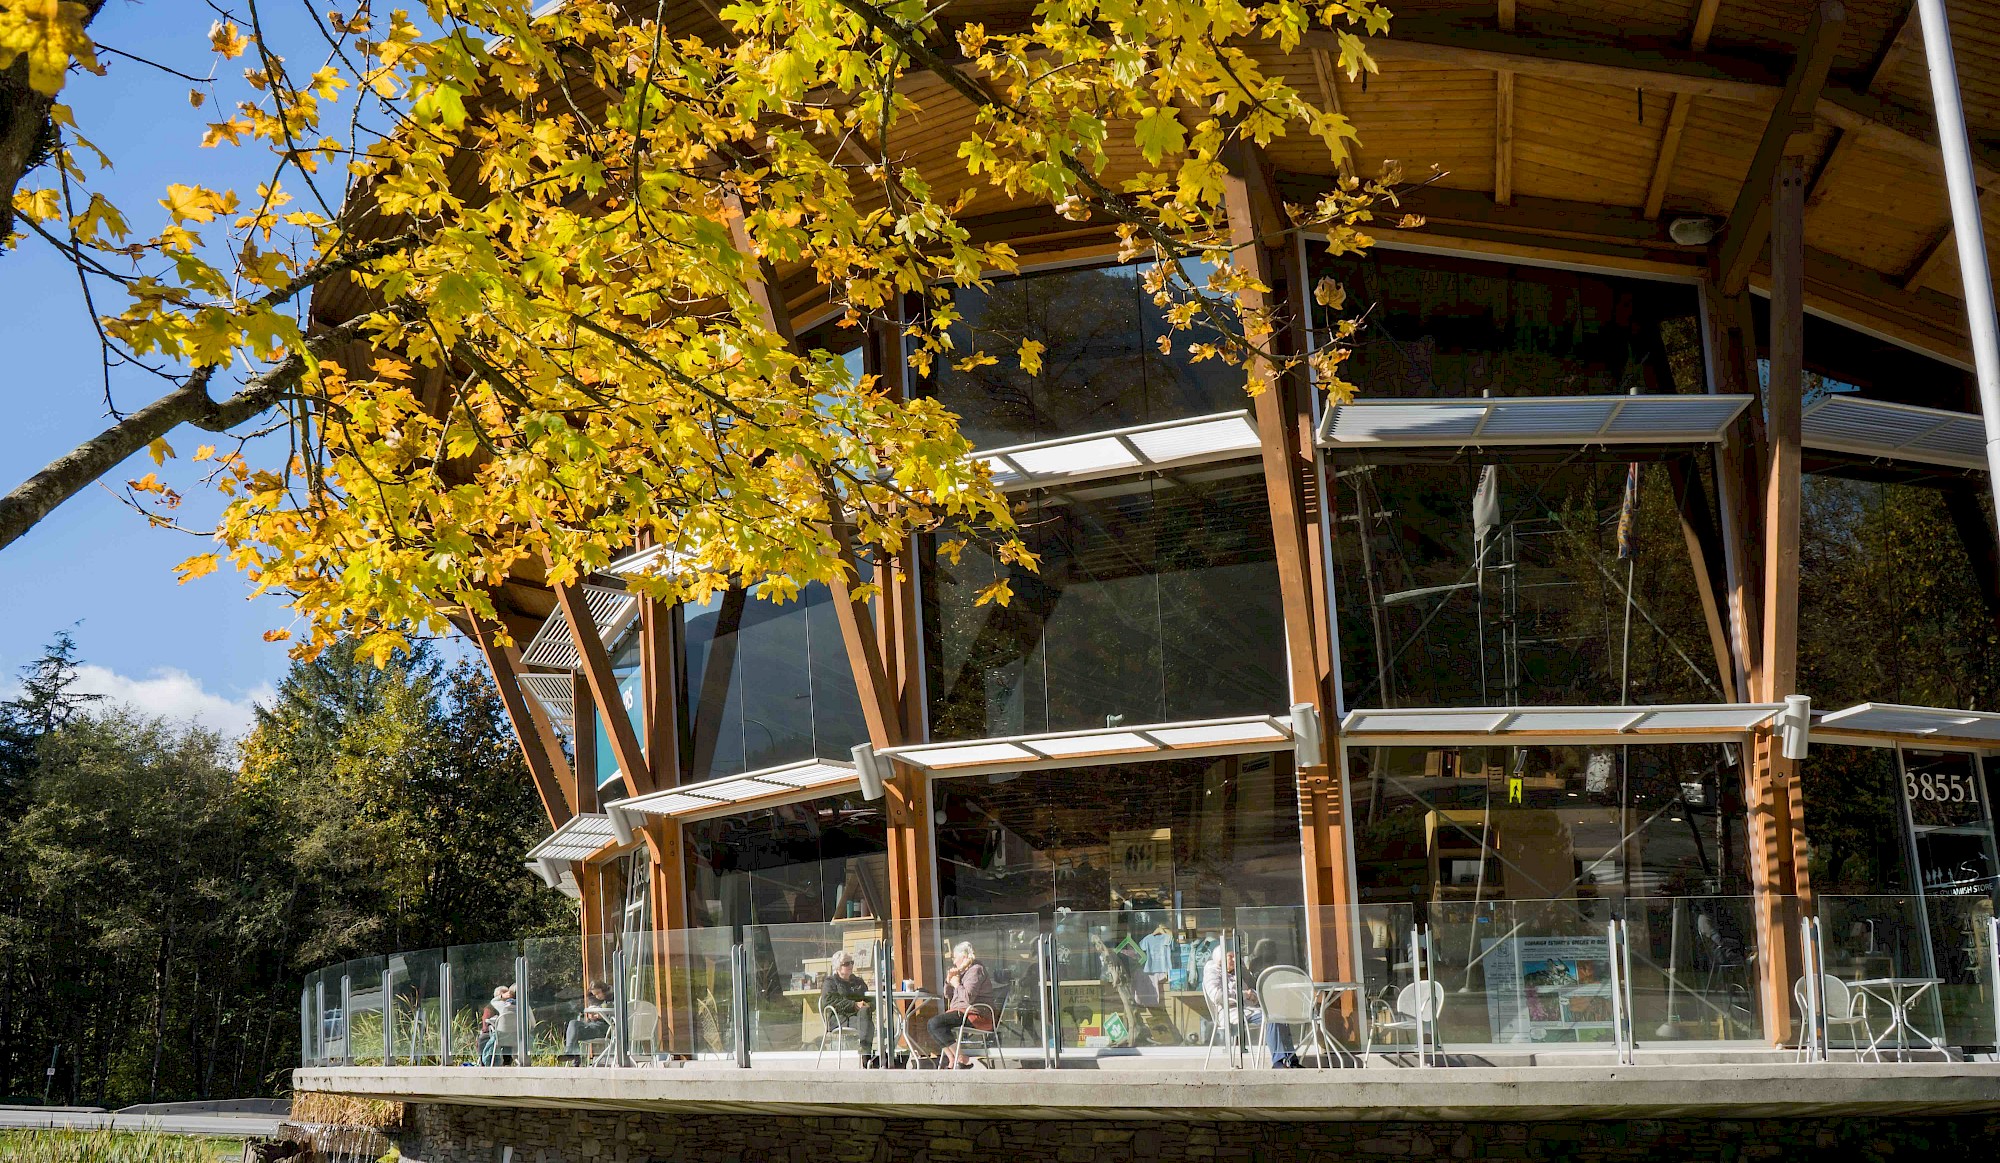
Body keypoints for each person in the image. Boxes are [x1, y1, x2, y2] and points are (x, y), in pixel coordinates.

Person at [1202, 946, 1297, 1068]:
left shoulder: (1240, 971)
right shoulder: (1212, 973)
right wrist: (1244, 995)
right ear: (1220, 959)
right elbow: (1217, 995)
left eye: (1235, 957)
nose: (1234, 960)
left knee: (1280, 1017)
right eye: (1230, 957)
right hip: (1231, 1013)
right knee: (1270, 1018)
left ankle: (1291, 1060)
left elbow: (1255, 989)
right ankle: (1278, 1062)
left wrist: (1254, 996)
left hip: (1249, 1010)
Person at [926, 942, 994, 1068]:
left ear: (963, 956)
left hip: (975, 1013)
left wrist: (957, 984)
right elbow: (948, 995)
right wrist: (948, 980)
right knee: (933, 1025)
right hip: (961, 1011)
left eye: (955, 957)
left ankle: (961, 1056)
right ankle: (953, 1058)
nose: (953, 961)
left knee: (935, 1023)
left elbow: (968, 997)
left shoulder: (976, 970)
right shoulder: (962, 972)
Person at [818, 950, 876, 1065]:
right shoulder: (830, 982)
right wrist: (853, 1005)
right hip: (839, 1018)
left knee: (868, 1016)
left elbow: (871, 999)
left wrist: (868, 1005)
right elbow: (828, 1001)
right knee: (869, 1024)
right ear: (838, 967)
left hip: (859, 1018)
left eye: (852, 963)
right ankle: (867, 1058)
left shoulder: (858, 982)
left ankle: (869, 1053)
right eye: (846, 964)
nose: (850, 966)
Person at [563, 980, 614, 1063]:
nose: (597, 996)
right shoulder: (594, 1000)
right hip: (593, 1025)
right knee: (573, 1024)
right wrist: (591, 1016)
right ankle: (569, 1052)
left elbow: (616, 1015)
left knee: (574, 1034)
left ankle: (575, 1059)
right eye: (595, 995)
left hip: (605, 1028)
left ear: (603, 989)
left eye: (598, 993)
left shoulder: (613, 998)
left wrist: (601, 1015)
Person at [479, 984, 516, 1066]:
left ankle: (507, 1063)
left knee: (507, 1038)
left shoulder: (513, 1007)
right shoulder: (490, 1008)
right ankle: (484, 1063)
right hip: (493, 1033)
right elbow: (485, 1025)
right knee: (483, 1038)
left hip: (508, 1034)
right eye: (504, 997)